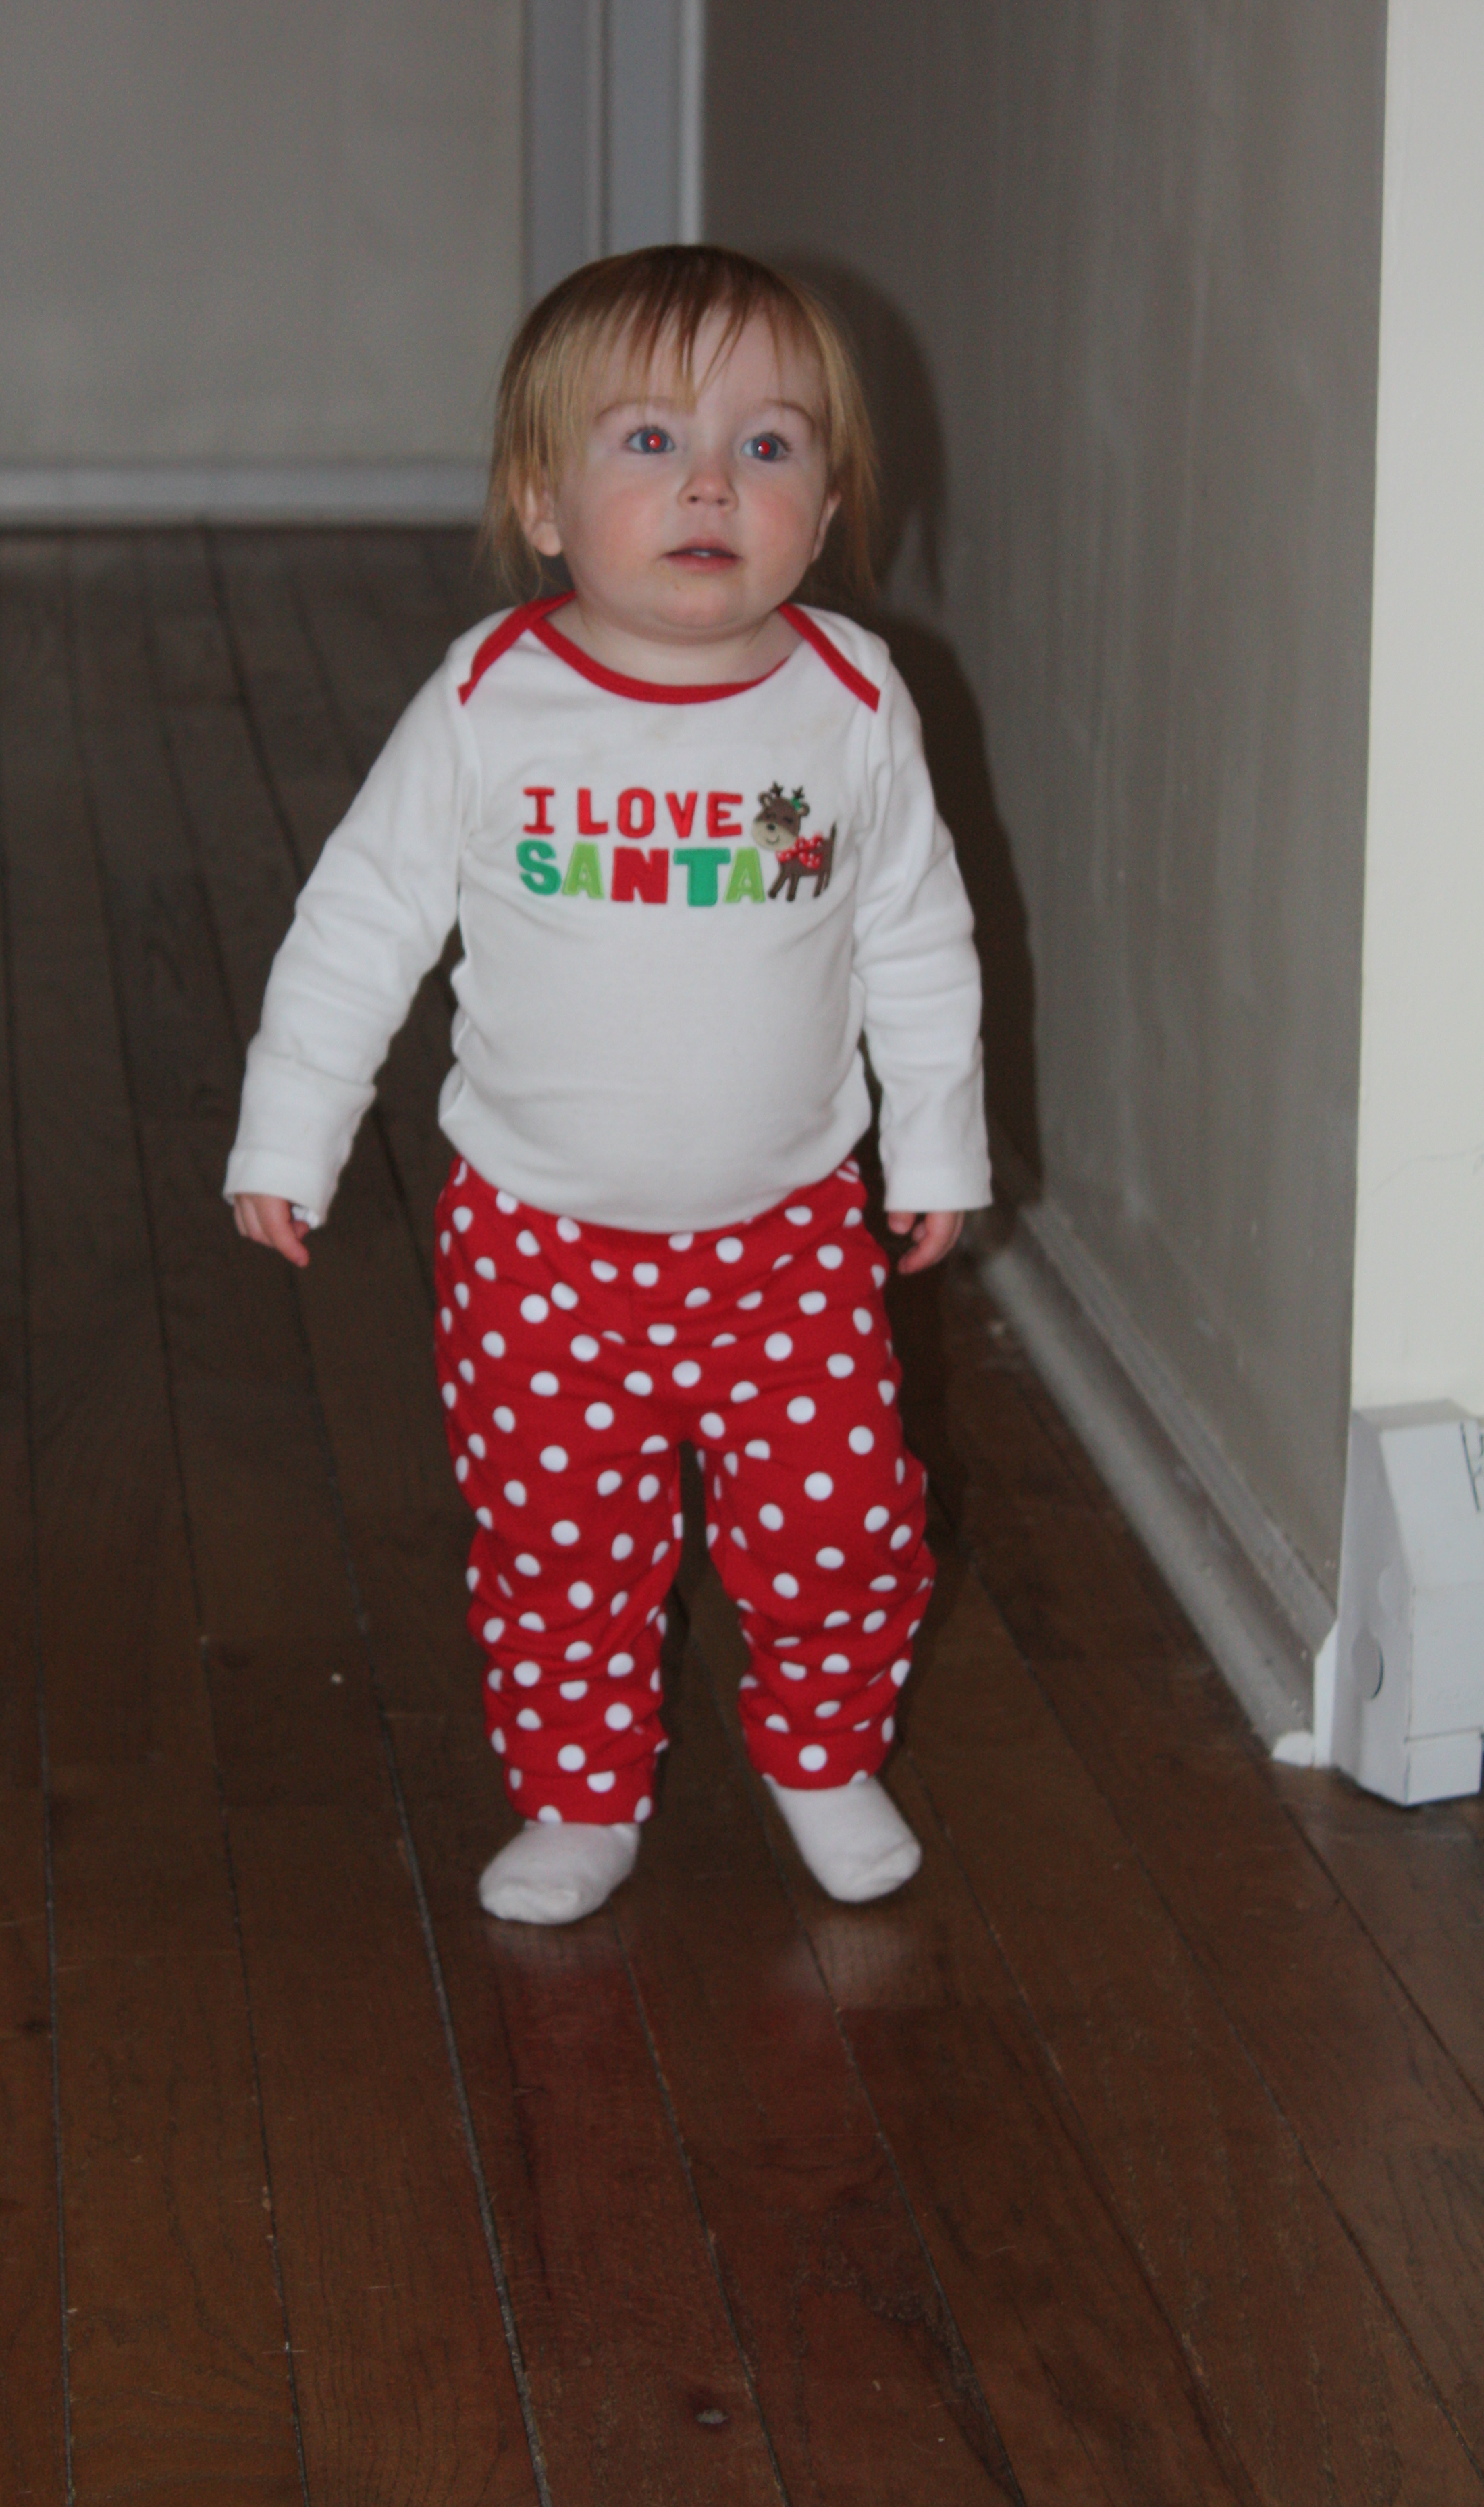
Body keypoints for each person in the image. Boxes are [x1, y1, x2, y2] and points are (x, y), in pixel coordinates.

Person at [228, 246, 988, 1926]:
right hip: (537, 1245)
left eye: (765, 446)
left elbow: (914, 937)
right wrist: (292, 1124)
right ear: (542, 503)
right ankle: (579, 1794)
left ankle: (821, 1753)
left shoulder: (850, 703)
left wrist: (935, 1143)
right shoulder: (490, 703)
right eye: (649, 441)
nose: (710, 483)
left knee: (843, 1523)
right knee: (561, 1541)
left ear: (823, 506)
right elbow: (358, 923)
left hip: (788, 1237)